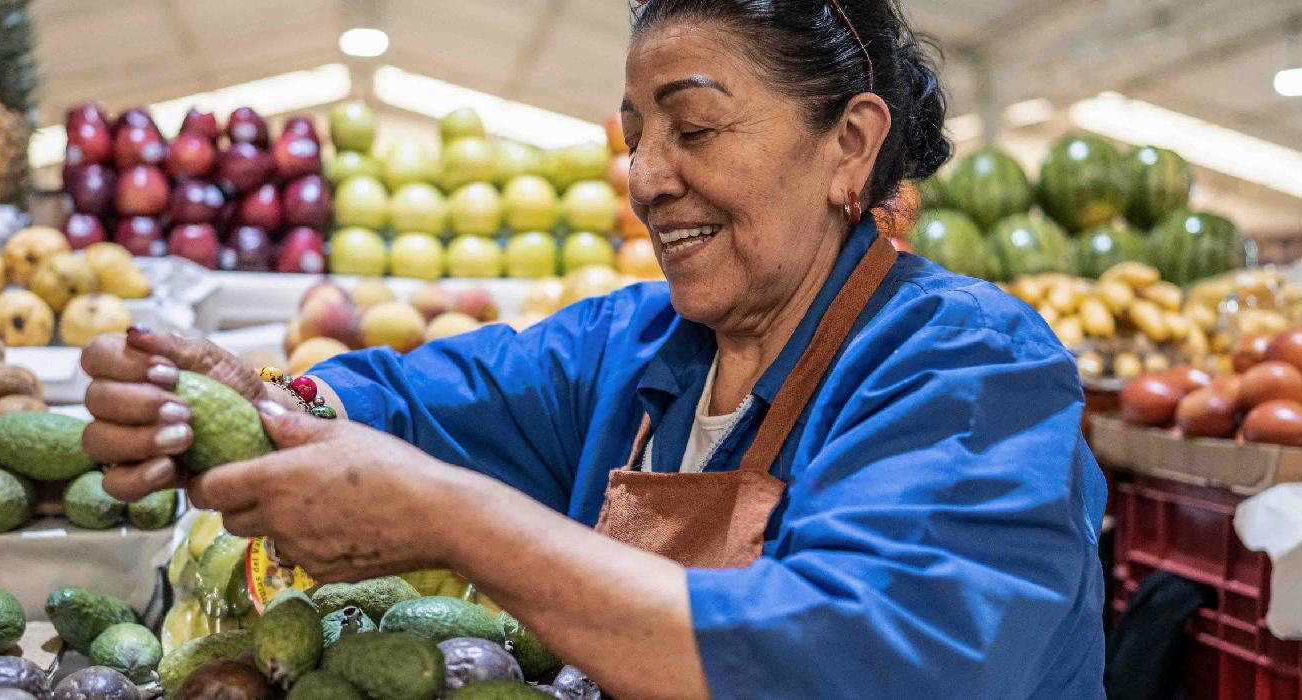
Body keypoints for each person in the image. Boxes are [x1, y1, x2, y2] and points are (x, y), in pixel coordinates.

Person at [80, 0, 1106, 696]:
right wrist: (251, 401)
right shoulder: (638, 345)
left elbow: (857, 653)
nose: (646, 178)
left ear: (849, 143)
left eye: (693, 130)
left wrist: (455, 520)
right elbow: (421, 394)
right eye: (633, 139)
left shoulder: (973, 371)